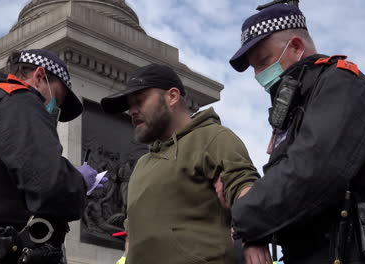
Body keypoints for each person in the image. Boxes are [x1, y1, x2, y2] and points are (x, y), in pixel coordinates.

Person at [228, 3, 365, 264]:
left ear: (295, 47)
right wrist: (252, 235)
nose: (259, 75)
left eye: (263, 61)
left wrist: (243, 219)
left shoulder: (342, 84)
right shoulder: (297, 104)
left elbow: (310, 170)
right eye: (254, 68)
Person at [0, 49, 103, 263]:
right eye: (57, 99)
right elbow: (50, 185)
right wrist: (79, 181)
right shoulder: (19, 100)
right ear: (39, 76)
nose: (54, 108)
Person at [101, 64, 267, 264]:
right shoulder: (142, 164)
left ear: (172, 96)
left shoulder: (213, 138)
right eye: (130, 105)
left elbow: (244, 185)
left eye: (140, 101)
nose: (132, 111)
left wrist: (255, 237)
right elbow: (133, 233)